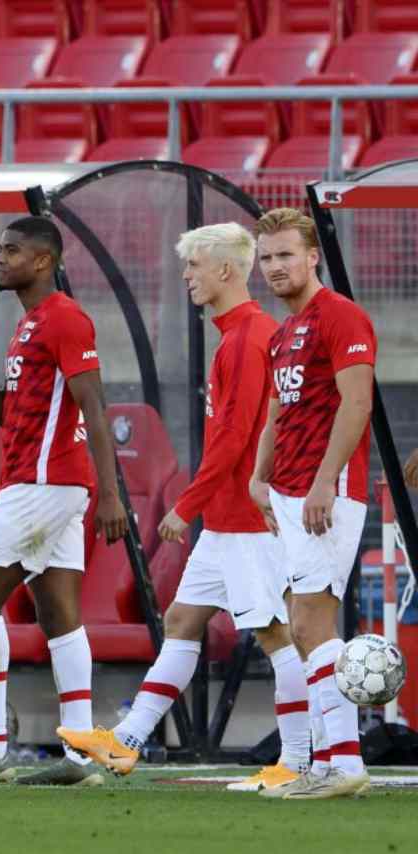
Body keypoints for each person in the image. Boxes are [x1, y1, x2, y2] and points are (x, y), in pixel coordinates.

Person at [57, 223, 310, 792]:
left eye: (194, 266)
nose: (186, 277)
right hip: (226, 520)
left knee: (274, 635)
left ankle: (298, 759)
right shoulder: (237, 336)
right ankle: (127, 742)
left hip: (245, 521)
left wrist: (185, 504)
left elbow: (237, 436)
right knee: (182, 620)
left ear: (225, 270)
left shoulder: (249, 339)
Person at [0, 216, 129, 786]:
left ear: (43, 260)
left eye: (11, 250)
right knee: (59, 617)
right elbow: (11, 415)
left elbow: (95, 403)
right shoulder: (29, 325)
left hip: (44, 486)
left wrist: (110, 495)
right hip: (47, 484)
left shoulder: (65, 317)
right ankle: (77, 755)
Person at [247, 208, 376, 800]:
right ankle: (330, 761)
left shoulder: (341, 316)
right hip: (291, 491)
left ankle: (343, 762)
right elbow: (278, 411)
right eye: (266, 257)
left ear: (312, 256)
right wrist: (259, 477)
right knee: (303, 628)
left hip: (328, 493)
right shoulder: (282, 334)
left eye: (285, 255)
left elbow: (356, 404)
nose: (275, 267)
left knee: (310, 622)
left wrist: (325, 480)